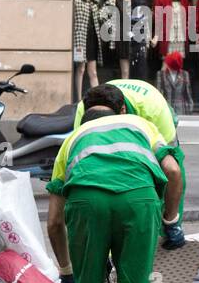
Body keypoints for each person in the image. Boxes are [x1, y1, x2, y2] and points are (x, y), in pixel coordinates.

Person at [47, 84, 186, 283]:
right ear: (122, 108)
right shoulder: (142, 126)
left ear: (85, 113)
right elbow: (173, 170)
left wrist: (68, 273)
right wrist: (170, 221)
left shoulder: (72, 140)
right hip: (137, 201)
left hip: (86, 203)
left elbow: (54, 222)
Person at [71, 74, 185, 216]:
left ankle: (173, 224)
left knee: (171, 168)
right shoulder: (85, 109)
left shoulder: (153, 110)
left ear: (123, 111)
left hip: (154, 111)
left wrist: (170, 218)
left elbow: (172, 170)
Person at [72, 0, 103, 98]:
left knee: (93, 72)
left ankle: (98, 99)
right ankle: (78, 99)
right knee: (80, 69)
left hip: (92, 38)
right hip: (80, 38)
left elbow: (99, 17)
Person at [158, 51, 194, 117]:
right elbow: (158, 93)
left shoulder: (185, 74)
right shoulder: (161, 75)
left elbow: (188, 93)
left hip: (182, 110)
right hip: (166, 109)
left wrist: (190, 109)